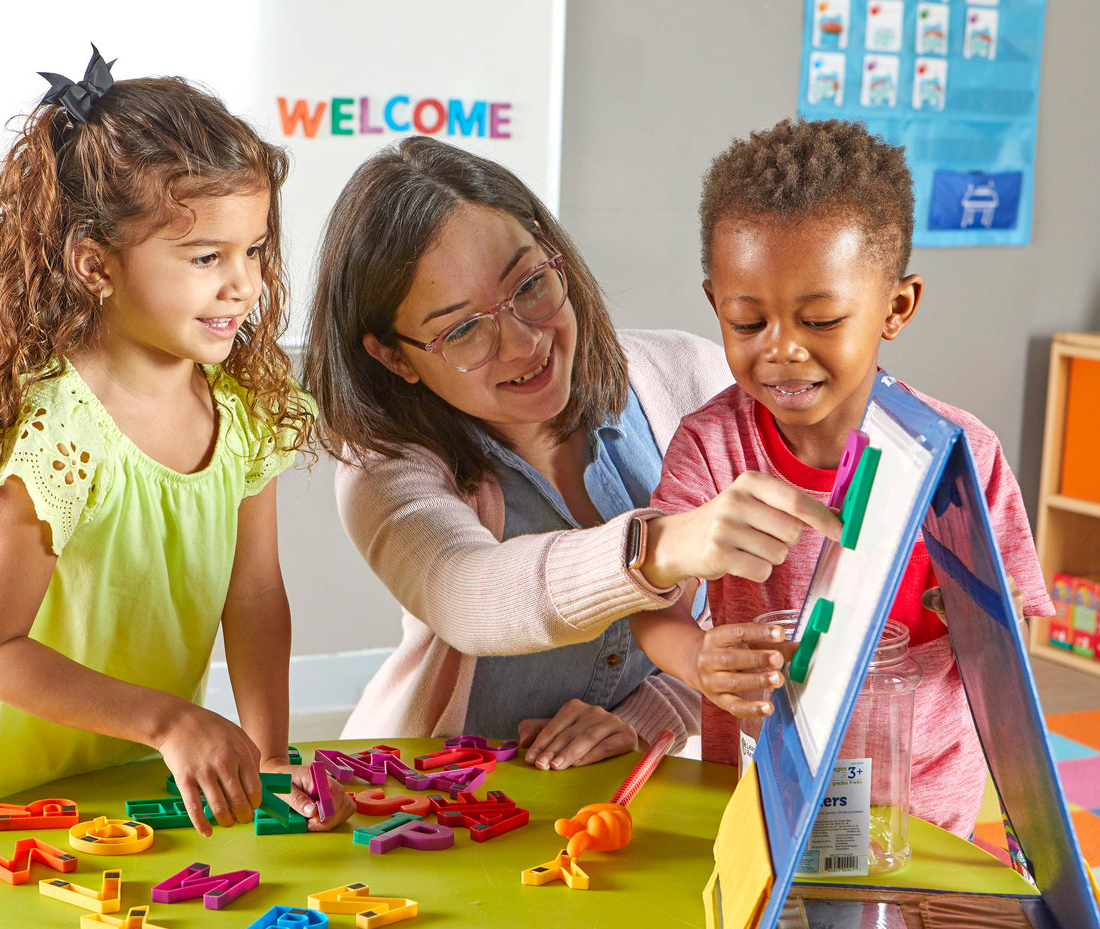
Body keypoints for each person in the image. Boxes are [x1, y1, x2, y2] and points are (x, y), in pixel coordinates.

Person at [0, 48, 352, 834]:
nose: (244, 283)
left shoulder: (243, 407)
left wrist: (272, 750)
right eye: (205, 257)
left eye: (253, 250)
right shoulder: (59, 439)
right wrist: (168, 720)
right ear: (96, 265)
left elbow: (252, 595)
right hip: (24, 773)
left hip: (141, 753)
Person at [302, 136, 841, 771]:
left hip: (626, 798)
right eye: (464, 330)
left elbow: (765, 634)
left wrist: (643, 718)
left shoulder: (689, 380)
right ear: (395, 356)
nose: (524, 342)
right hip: (440, 800)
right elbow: (466, 595)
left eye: (529, 284)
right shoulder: (383, 465)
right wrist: (659, 546)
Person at [644, 118, 1052, 836]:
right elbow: (651, 599)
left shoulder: (962, 454)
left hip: (919, 803)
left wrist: (989, 618)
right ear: (716, 305)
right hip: (758, 790)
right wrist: (697, 658)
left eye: (821, 320)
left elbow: (1018, 644)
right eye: (747, 322)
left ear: (895, 307)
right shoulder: (710, 443)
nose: (782, 352)